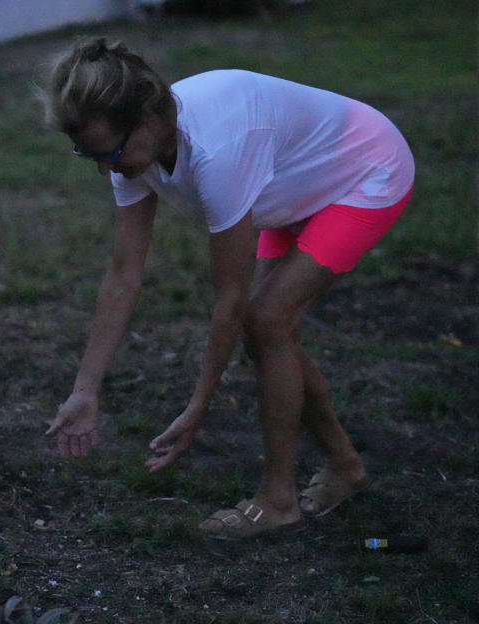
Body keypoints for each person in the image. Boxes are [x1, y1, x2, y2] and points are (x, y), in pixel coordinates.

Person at [42, 37, 414, 539]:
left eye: (109, 153)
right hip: (288, 183)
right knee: (267, 329)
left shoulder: (216, 151)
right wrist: (84, 390)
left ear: (149, 119)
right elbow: (124, 274)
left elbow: (230, 303)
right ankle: (345, 466)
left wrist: (198, 406)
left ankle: (278, 500)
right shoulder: (132, 145)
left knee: (265, 321)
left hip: (365, 169)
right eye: (88, 155)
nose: (106, 169)